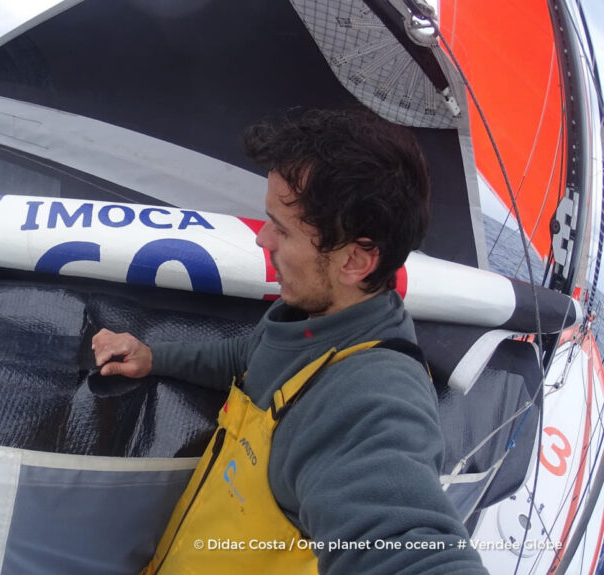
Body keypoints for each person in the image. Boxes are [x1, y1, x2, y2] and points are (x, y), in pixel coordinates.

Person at [92, 109, 488, 574]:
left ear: (355, 261)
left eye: (282, 228)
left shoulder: (371, 396)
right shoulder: (307, 317)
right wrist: (153, 356)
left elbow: (403, 545)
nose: (262, 240)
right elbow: (247, 358)